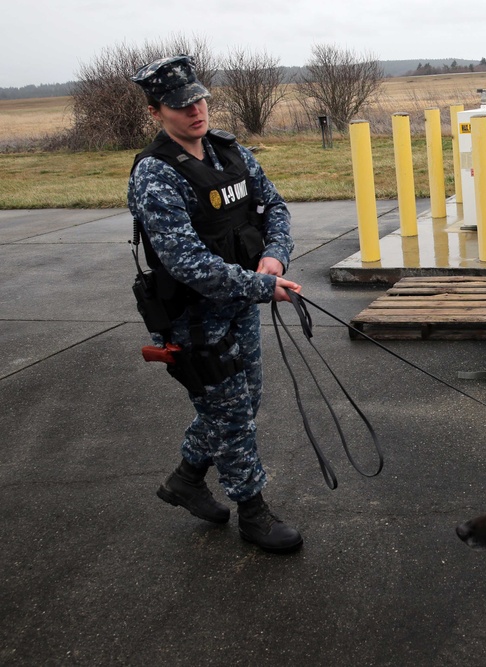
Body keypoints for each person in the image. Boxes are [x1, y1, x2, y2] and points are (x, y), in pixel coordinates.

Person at [128, 54, 303, 554]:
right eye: (181, 106)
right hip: (193, 320)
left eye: (199, 99)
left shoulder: (232, 154)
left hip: (239, 307)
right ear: (156, 111)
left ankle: (185, 479)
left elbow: (275, 207)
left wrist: (274, 257)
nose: (196, 111)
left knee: (242, 402)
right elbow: (187, 263)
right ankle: (253, 512)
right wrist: (261, 287)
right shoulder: (156, 176)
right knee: (229, 414)